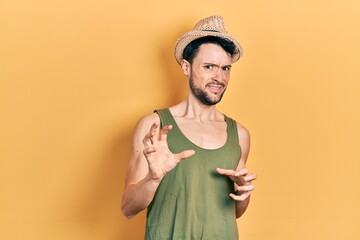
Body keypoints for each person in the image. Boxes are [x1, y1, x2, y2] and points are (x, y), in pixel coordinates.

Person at [121, 15, 257, 239]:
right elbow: (127, 208)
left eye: (225, 68)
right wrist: (153, 179)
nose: (219, 77)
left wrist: (244, 195)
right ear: (186, 66)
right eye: (209, 66)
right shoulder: (154, 126)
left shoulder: (240, 134)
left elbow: (233, 213)